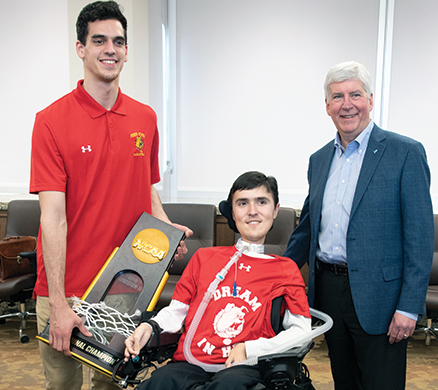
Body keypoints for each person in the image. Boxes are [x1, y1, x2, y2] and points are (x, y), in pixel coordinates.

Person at [29, 2, 191, 389]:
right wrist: (58, 302)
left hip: (125, 288)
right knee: (62, 386)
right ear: (80, 48)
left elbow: (144, 185)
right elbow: (52, 218)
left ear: (127, 51)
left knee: (113, 386)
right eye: (99, 40)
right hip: (65, 287)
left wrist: (165, 229)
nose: (110, 49)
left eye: (118, 41)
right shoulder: (50, 122)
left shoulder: (145, 118)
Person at [284, 61, 434, 389]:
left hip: (381, 297)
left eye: (355, 94)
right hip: (328, 291)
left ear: (370, 99)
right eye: (337, 97)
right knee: (344, 381)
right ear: (327, 106)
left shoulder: (405, 153)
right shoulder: (319, 160)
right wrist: (274, 277)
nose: (346, 104)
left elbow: (420, 237)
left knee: (381, 383)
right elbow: (307, 228)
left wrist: (409, 307)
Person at [125, 171, 312, 390]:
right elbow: (176, 312)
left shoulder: (285, 269)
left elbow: (301, 333)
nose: (253, 211)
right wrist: (150, 326)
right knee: (159, 383)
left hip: (245, 365)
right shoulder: (204, 258)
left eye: (262, 202)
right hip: (190, 362)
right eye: (243, 203)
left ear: (275, 210)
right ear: (232, 212)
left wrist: (249, 349)